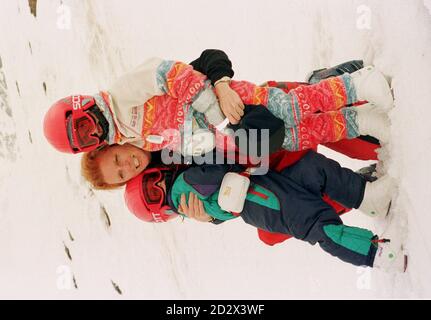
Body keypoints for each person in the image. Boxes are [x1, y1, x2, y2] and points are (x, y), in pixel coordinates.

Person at [43, 50, 393, 157]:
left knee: (291, 106)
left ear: (82, 104)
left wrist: (215, 107)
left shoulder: (120, 95)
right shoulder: (127, 136)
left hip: (227, 105)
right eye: (86, 140)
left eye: (84, 125)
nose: (93, 133)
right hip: (226, 133)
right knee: (293, 137)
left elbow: (169, 73)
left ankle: (356, 84)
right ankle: (360, 121)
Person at [124, 150, 407, 272]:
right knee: (319, 226)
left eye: (152, 181)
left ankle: (366, 197)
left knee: (313, 169)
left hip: (264, 196)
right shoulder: (184, 185)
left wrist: (210, 216)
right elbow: (223, 166)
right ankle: (377, 255)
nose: (160, 185)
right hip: (265, 200)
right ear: (162, 210)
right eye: (154, 194)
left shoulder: (189, 202)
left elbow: (224, 211)